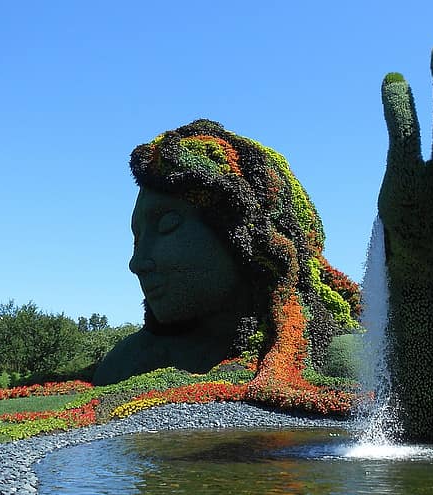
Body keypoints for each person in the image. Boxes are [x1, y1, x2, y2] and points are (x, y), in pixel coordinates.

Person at [93, 120, 360, 386]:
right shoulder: (127, 364)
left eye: (167, 225)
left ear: (249, 237)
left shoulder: (340, 360)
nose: (137, 263)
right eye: (136, 239)